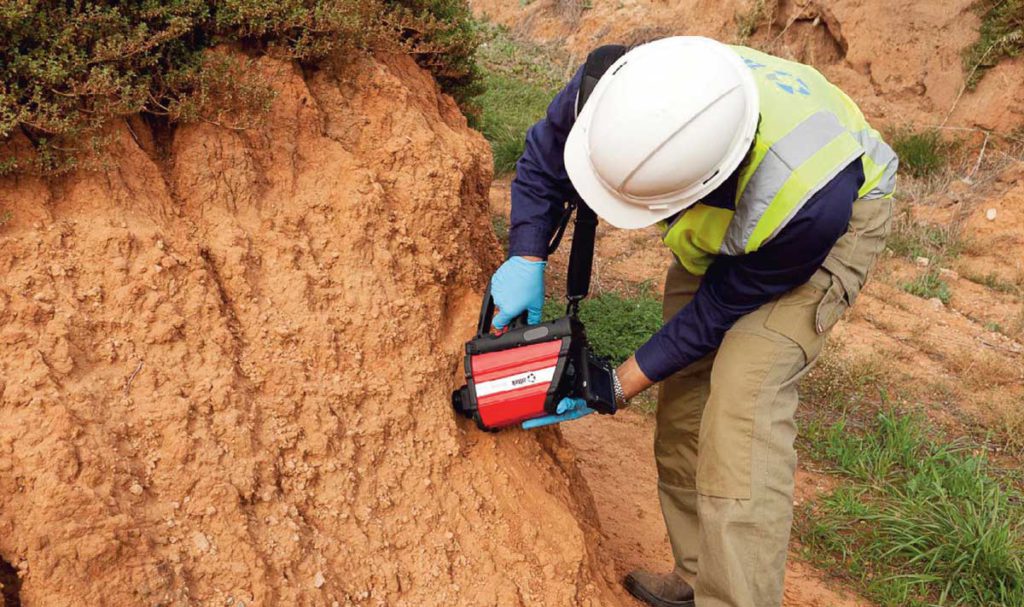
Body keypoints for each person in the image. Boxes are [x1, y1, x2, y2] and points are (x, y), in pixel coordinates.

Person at [488, 37, 898, 607]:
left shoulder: (807, 201)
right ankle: (699, 577)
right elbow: (544, 157)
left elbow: (723, 307)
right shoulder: (619, 87)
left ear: (706, 184)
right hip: (735, 218)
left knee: (741, 410)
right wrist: (527, 254)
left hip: (819, 229)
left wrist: (620, 381)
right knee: (685, 399)